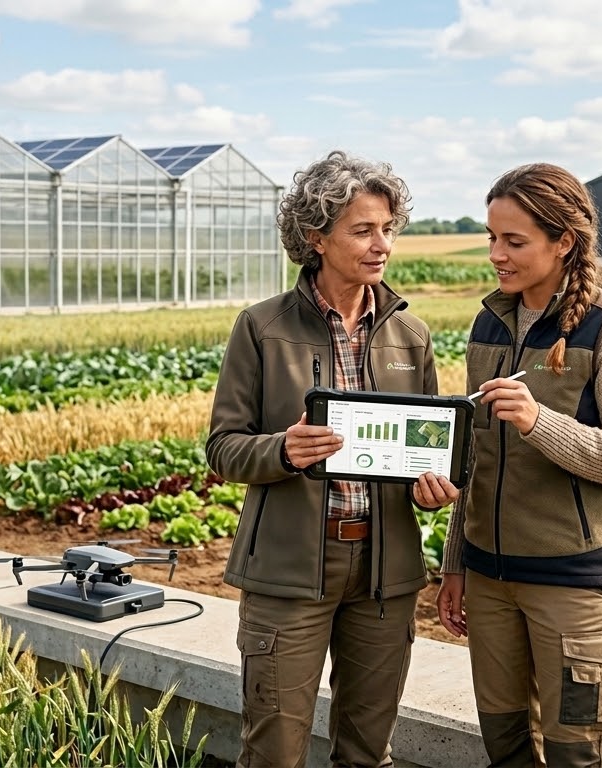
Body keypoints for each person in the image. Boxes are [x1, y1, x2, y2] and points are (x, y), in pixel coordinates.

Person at [207, 150, 462, 768]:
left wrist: (432, 485)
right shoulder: (262, 328)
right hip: (290, 572)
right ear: (316, 238)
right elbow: (223, 448)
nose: (383, 245)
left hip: (385, 571)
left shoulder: (412, 335)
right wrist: (283, 450)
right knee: (274, 752)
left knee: (368, 753)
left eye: (389, 229)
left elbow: (426, 446)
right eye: (364, 230)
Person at [435, 163, 602, 768]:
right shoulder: (489, 324)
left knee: (574, 753)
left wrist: (539, 422)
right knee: (504, 746)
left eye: (514, 241)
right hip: (489, 580)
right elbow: (474, 457)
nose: (495, 255)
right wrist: (456, 562)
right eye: (491, 237)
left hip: (573, 584)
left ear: (564, 241)